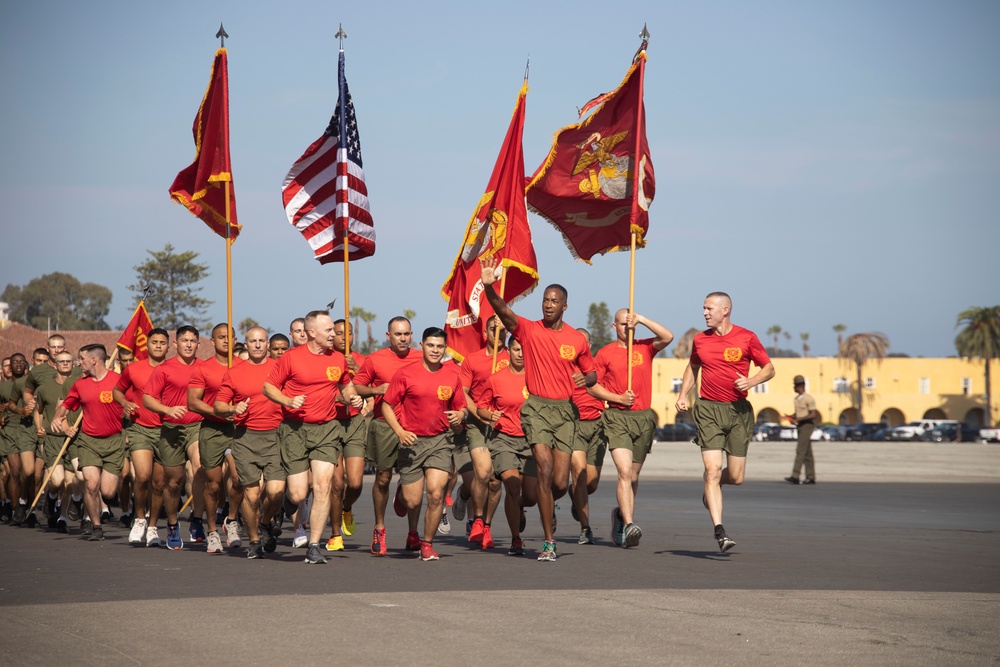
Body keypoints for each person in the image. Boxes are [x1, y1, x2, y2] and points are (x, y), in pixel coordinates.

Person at [480, 256, 597, 562]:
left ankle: (544, 506)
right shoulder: (529, 330)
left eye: (554, 301)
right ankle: (548, 542)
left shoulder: (575, 339)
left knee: (559, 482)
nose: (548, 305)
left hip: (565, 412)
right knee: (543, 471)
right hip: (537, 409)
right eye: (545, 300)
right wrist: (490, 287)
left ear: (564, 306)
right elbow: (504, 312)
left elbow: (593, 373)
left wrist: (584, 378)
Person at [676, 292, 774, 553]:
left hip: (739, 412)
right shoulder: (700, 339)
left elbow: (769, 368)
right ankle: (719, 530)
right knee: (712, 469)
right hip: (708, 409)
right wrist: (683, 393)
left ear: (725, 310)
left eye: (709, 309)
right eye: (704, 308)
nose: (705, 313)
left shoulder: (746, 337)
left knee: (737, 477)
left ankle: (714, 485)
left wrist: (752, 381)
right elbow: (693, 366)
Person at [263, 310, 363, 565]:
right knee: (297, 494)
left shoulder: (338, 359)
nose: (334, 334)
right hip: (295, 429)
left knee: (323, 485)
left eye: (333, 330)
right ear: (311, 333)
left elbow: (345, 385)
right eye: (328, 330)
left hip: (327, 428)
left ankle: (315, 545)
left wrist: (353, 397)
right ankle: (287, 502)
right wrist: (287, 400)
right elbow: (268, 386)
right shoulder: (291, 358)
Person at [382, 327, 468, 561]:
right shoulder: (405, 374)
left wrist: (461, 415)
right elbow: (386, 405)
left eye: (440, 347)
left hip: (440, 441)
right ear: (421, 346)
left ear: (445, 349)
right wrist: (399, 431)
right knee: (412, 500)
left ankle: (427, 544)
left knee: (435, 493)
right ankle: (404, 500)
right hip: (411, 442)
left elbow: (461, 406)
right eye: (431, 345)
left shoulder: (452, 376)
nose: (435, 350)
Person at [590, 310, 674, 548]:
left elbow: (668, 337)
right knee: (625, 472)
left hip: (643, 418)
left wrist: (642, 319)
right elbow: (592, 386)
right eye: (623, 324)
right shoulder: (605, 353)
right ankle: (629, 524)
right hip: (617, 417)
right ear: (614, 326)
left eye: (631, 325)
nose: (628, 329)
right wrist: (617, 397)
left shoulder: (645, 347)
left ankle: (620, 514)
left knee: (634, 476)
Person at [352, 316, 422, 556]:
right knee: (382, 478)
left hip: (415, 426)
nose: (402, 339)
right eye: (398, 334)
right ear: (388, 336)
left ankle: (413, 532)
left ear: (411, 335)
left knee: (413, 480)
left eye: (406, 334)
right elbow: (356, 386)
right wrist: (375, 389)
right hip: (384, 426)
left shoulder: (421, 358)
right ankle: (379, 528)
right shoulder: (376, 359)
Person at [215, 326, 285, 559]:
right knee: (252, 495)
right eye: (252, 341)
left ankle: (265, 522)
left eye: (261, 341)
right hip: (245, 437)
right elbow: (219, 405)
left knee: (276, 492)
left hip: (276, 436)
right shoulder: (234, 372)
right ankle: (254, 540)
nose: (257, 345)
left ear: (267, 344)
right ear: (245, 345)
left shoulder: (280, 369)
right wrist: (234, 408)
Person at [51, 344, 126, 542]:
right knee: (91, 484)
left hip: (114, 441)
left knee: (108, 492)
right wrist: (57, 418)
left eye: (81, 359)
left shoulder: (118, 381)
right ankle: (96, 526)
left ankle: (94, 505)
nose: (78, 363)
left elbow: (132, 403)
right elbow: (65, 406)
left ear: (94, 360)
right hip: (89, 441)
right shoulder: (80, 384)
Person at [142, 326, 205, 550]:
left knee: (199, 467)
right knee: (173, 481)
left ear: (199, 344)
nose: (189, 344)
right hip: (170, 428)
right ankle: (171, 525)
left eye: (193, 341)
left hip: (197, 425)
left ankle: (197, 521)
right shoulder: (165, 369)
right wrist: (167, 410)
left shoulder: (203, 367)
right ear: (176, 344)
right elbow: (148, 398)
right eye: (184, 340)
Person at [188, 323, 244, 553]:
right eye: (220, 337)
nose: (225, 341)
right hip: (212, 429)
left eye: (229, 337)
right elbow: (193, 402)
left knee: (240, 477)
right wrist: (220, 411)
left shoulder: (243, 366)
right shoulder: (203, 368)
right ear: (212, 341)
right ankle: (211, 531)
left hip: (239, 429)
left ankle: (231, 520)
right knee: (213, 484)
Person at [455, 314, 508, 546]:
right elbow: (463, 393)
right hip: (477, 424)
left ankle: (486, 526)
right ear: (485, 334)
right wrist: (479, 414)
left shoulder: (515, 358)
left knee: (496, 483)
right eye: (494, 330)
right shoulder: (472, 360)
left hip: (504, 426)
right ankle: (476, 518)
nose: (500, 334)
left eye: (504, 331)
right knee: (484, 473)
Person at [114, 328, 169, 546]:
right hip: (140, 428)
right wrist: (125, 403)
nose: (158, 346)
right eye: (154, 342)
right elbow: (118, 390)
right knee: (142, 477)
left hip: (167, 431)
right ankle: (139, 519)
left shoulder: (173, 368)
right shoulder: (134, 369)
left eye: (162, 343)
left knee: (158, 483)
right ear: (147, 344)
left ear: (168, 346)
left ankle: (153, 526)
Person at [476, 337, 531, 555]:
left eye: (524, 350)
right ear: (508, 350)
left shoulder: (537, 377)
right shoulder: (496, 379)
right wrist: (490, 414)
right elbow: (481, 407)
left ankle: (520, 508)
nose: (520, 354)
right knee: (512, 487)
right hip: (504, 439)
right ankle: (515, 539)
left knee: (532, 496)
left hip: (530, 440)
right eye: (516, 349)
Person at [329, 318, 371, 549]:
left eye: (349, 333)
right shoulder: (325, 360)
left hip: (354, 422)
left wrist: (355, 369)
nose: (344, 337)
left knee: (354, 483)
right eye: (338, 333)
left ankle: (346, 508)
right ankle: (335, 534)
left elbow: (370, 389)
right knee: (337, 483)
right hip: (331, 422)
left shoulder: (362, 360)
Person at [32, 350, 79, 531]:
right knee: (57, 481)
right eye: (62, 361)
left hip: (73, 438)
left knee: (70, 483)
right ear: (55, 364)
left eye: (69, 361)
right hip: (53, 439)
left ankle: (62, 517)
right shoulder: (44, 388)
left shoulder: (78, 385)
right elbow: (39, 410)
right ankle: (50, 498)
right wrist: (39, 428)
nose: (66, 364)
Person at [568, 328, 607, 545]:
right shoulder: (564, 367)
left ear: (589, 347)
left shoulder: (598, 366)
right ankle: (585, 528)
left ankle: (575, 495)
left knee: (591, 483)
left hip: (597, 426)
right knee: (580, 475)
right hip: (574, 426)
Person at [2, 353, 38, 526]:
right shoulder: (3, 386)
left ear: (26, 365)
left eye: (20, 362)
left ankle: (27, 508)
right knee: (14, 471)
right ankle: (15, 509)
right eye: (13, 362)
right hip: (9, 430)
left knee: (30, 473)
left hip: (28, 429)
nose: (16, 365)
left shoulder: (31, 383)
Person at [784, 375, 818, 485]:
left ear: (801, 385)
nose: (794, 387)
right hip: (800, 425)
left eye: (796, 385)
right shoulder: (797, 399)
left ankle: (795, 475)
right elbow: (798, 413)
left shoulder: (809, 398)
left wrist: (800, 418)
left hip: (807, 426)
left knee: (800, 450)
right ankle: (811, 476)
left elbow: (813, 414)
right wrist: (790, 416)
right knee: (807, 452)